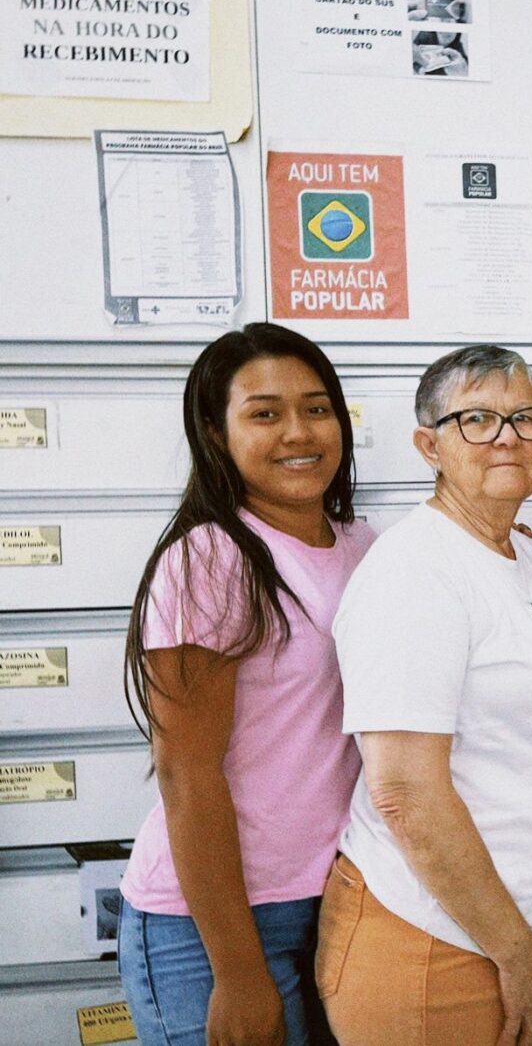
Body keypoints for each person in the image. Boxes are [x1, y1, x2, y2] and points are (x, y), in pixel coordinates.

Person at [320, 345, 532, 1046]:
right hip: (432, 942)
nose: (508, 435)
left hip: (500, 935)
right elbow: (405, 793)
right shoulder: (416, 573)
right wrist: (517, 955)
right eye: (477, 418)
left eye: (526, 417)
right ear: (429, 445)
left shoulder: (520, 554)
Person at [117, 323, 375, 1046]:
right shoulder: (212, 556)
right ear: (214, 429)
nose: (298, 431)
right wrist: (236, 973)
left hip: (337, 897)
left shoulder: (363, 547)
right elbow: (186, 773)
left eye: (317, 408)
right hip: (214, 924)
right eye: (264, 413)